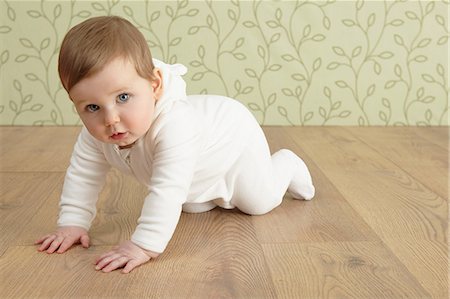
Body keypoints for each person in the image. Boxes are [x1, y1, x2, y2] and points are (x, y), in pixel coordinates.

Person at [35, 16, 315, 274]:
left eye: (123, 98)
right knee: (191, 202)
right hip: (200, 163)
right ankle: (207, 193)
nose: (111, 119)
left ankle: (287, 165)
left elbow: (167, 188)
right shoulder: (95, 135)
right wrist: (72, 223)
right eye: (92, 107)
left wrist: (144, 244)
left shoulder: (175, 126)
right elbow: (83, 175)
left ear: (155, 85)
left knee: (257, 201)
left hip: (234, 139)